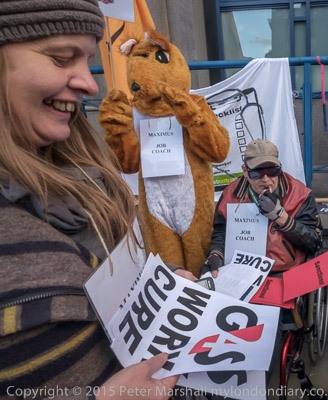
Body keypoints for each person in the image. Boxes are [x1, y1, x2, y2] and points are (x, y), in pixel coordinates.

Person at [0, 1, 189, 398]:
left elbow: (105, 271)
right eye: (61, 58)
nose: (90, 83)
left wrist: (161, 284)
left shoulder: (83, 174)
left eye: (87, 60)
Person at [203, 139, 322, 276]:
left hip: (286, 271)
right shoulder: (230, 194)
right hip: (243, 271)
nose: (265, 179)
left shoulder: (300, 194)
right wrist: (216, 254)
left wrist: (281, 217)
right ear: (245, 171)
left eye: (272, 171)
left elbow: (314, 243)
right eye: (257, 173)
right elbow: (221, 233)